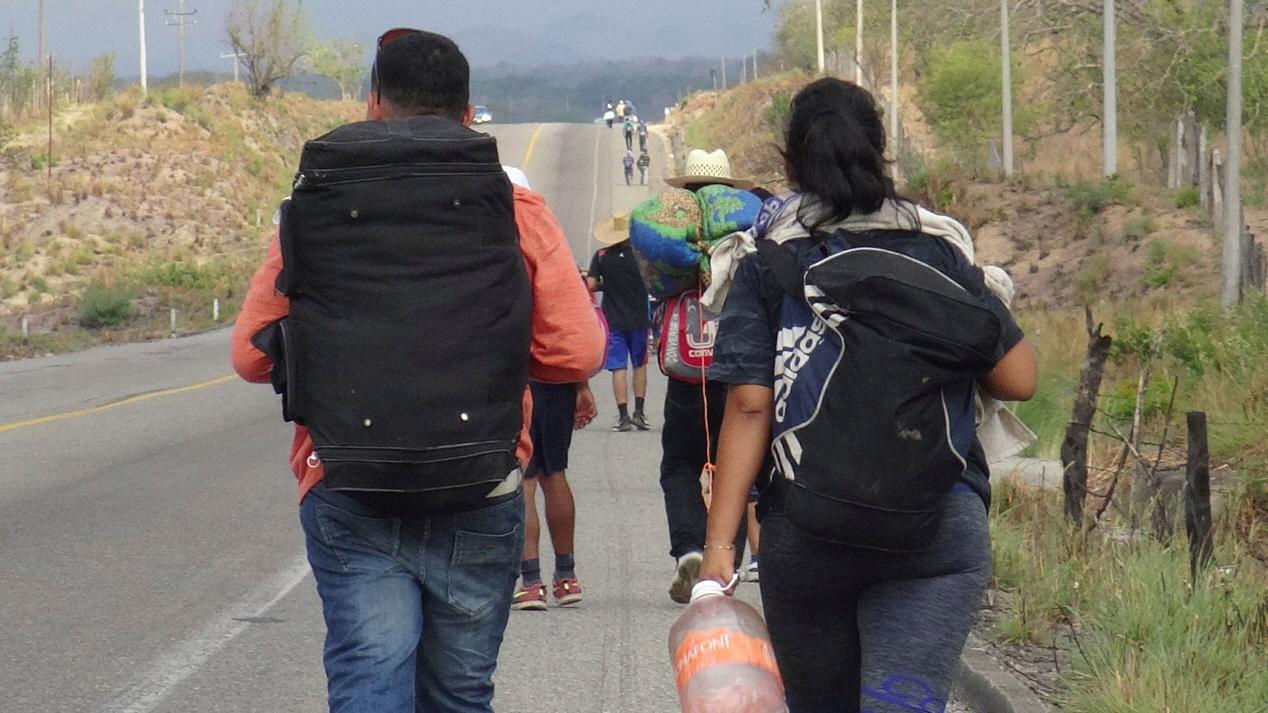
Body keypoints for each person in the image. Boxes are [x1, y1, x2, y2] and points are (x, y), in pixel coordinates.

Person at [231, 29, 605, 713]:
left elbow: (251, 355)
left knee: (369, 683)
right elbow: (576, 351)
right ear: (468, 115)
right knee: (459, 694)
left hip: (348, 482)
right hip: (480, 482)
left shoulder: (311, 204)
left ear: (374, 105)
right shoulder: (513, 208)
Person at [699, 78, 1037, 713]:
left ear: (790, 162)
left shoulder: (766, 263)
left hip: (810, 527)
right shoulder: (941, 251)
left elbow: (749, 405)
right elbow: (1019, 380)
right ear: (879, 150)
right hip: (937, 524)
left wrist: (721, 546)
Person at [655, 149, 760, 603]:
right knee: (734, 462)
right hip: (737, 360)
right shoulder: (743, 223)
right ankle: (726, 562)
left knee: (680, 463)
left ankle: (688, 549)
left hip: (687, 369)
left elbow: (654, 283)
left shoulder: (671, 224)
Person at [511, 377, 598, 610]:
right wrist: (581, 386)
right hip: (559, 383)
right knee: (555, 474)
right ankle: (566, 577)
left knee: (525, 479)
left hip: (518, 383)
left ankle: (531, 582)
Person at [588, 214, 652, 432]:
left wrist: (606, 284)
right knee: (640, 364)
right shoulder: (641, 257)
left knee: (618, 367)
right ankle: (640, 413)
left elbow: (591, 284)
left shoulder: (602, 255)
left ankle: (623, 417)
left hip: (613, 320)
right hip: (639, 319)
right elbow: (652, 282)